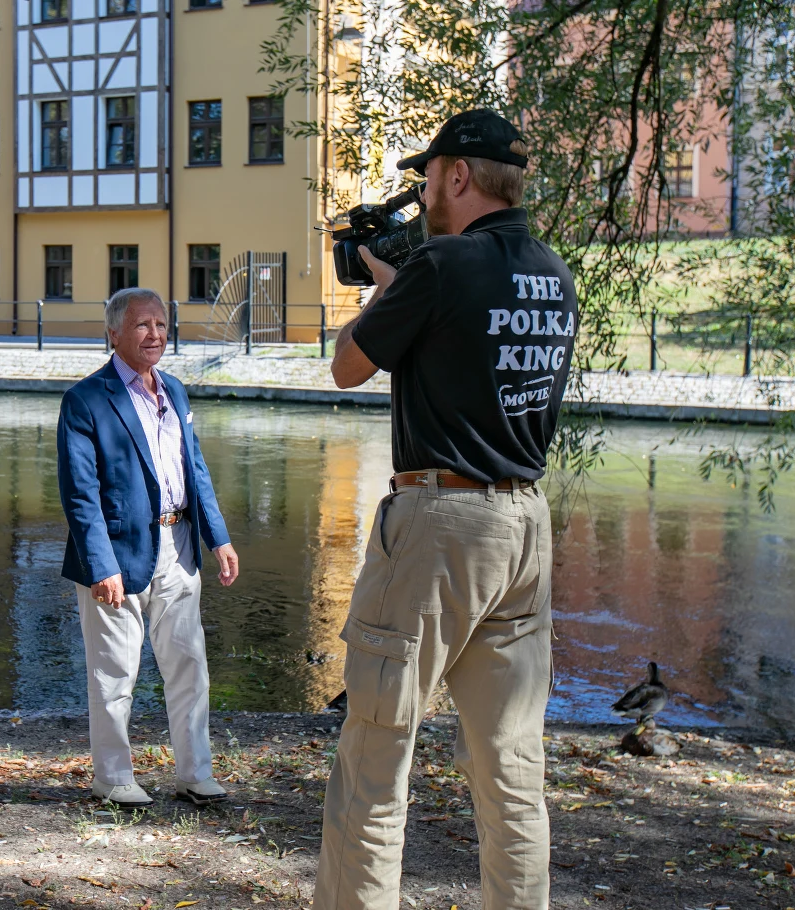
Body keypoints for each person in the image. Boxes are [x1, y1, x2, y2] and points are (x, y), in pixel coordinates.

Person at [314, 109, 579, 910]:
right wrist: (411, 295)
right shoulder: (553, 271)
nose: (423, 191)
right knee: (510, 766)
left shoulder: (441, 266)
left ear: (458, 176)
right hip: (525, 526)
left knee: (376, 753)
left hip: (440, 526)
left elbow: (347, 367)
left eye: (427, 177)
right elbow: (481, 359)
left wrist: (386, 297)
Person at [56, 287, 241, 809]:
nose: (155, 334)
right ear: (113, 333)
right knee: (115, 673)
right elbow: (80, 494)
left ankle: (195, 773)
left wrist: (218, 537)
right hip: (117, 555)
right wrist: (100, 565)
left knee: (189, 665)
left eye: (160, 324)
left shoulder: (175, 392)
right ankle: (114, 779)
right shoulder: (85, 400)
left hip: (179, 544)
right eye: (142, 325)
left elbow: (194, 470)